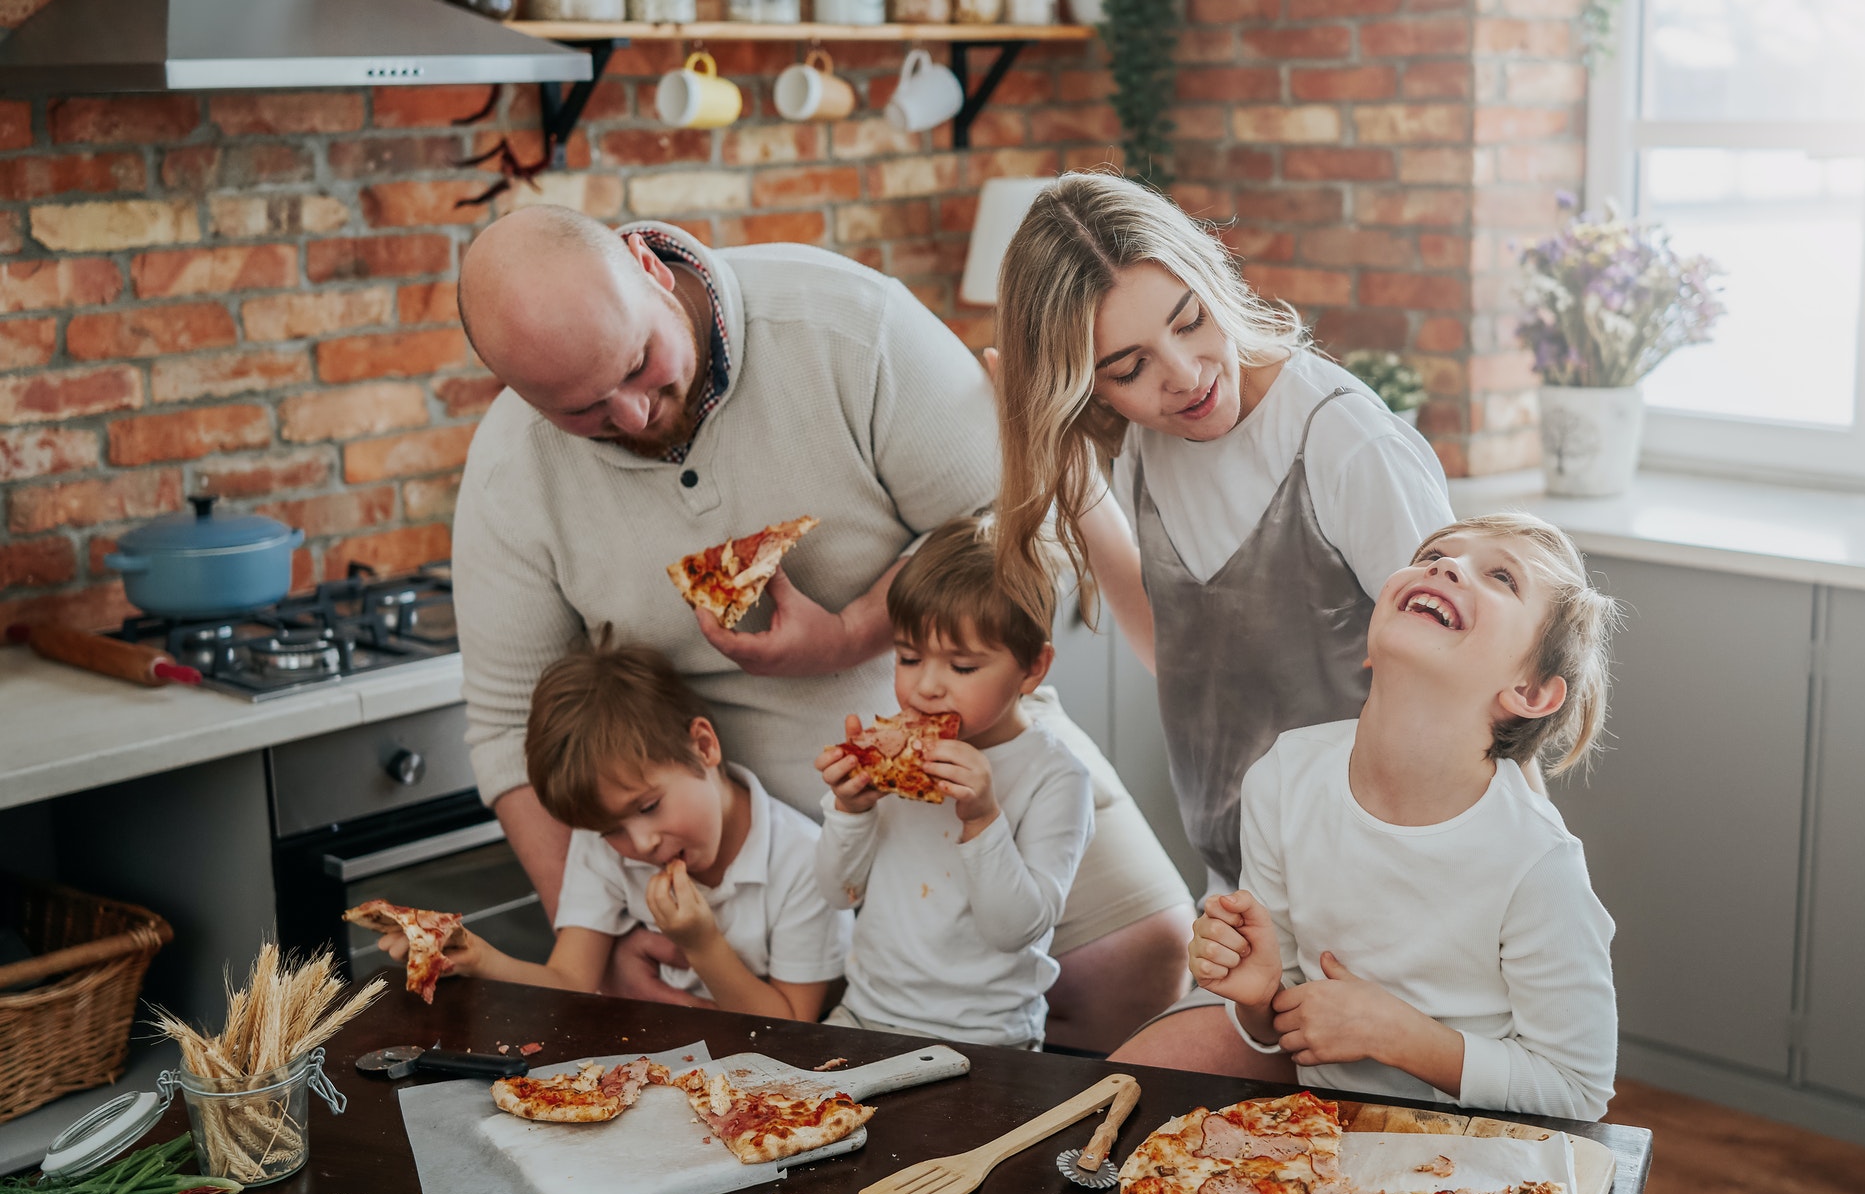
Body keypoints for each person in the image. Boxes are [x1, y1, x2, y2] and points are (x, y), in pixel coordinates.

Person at [452, 204, 1192, 1049]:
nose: (631, 416)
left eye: (639, 367)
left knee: (1145, 955)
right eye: (580, 412)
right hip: (727, 836)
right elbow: (511, 726)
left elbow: (1017, 523)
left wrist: (851, 634)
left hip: (967, 735)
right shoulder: (510, 469)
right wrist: (596, 940)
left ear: (650, 269)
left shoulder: (847, 324)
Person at [988, 173, 1454, 1073]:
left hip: (1384, 909)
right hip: (1244, 900)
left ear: (1213, 275)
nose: (1188, 374)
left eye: (1190, 318)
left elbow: (1464, 695)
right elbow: (1181, 657)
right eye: (1128, 367)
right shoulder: (1149, 451)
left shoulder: (1343, 443)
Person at [1190, 514, 1619, 1119]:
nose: (1446, 565)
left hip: (1472, 1170)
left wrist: (1403, 1038)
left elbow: (1578, 1092)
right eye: (1435, 554)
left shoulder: (1539, 863)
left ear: (1530, 693)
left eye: (1501, 576)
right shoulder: (1283, 778)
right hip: (1321, 1144)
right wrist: (1258, 997)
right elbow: (1281, 1025)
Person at [375, 639, 849, 1021]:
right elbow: (571, 983)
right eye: (611, 831)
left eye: (648, 806)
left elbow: (793, 1024)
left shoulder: (804, 860)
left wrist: (700, 944)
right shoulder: (603, 848)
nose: (640, 845)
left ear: (703, 746)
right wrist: (479, 958)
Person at [813, 515, 1094, 1049]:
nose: (926, 688)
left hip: (988, 1033)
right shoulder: (889, 755)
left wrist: (984, 818)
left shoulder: (1057, 776)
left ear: (1033, 668)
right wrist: (851, 810)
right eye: (908, 657)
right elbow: (836, 892)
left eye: (962, 667)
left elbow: (1015, 931)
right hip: (867, 1013)